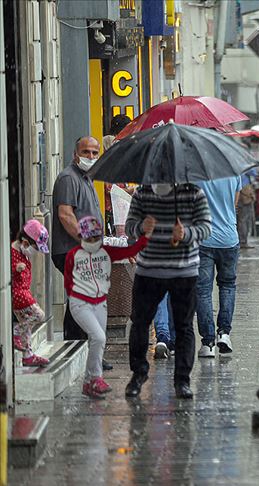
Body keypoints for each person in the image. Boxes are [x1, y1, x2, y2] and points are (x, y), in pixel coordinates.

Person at [124, 183, 212, 400]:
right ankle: (138, 374)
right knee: (140, 323)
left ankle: (182, 380)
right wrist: (141, 228)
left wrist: (186, 233)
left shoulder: (193, 193)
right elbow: (129, 226)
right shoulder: (142, 193)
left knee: (183, 327)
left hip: (183, 271)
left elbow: (206, 228)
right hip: (149, 270)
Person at [65, 216, 154, 398]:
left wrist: (146, 237)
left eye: (96, 238)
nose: (92, 242)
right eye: (88, 238)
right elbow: (68, 282)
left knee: (99, 340)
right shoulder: (72, 255)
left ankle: (89, 382)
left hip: (100, 302)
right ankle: (94, 378)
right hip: (80, 303)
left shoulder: (106, 252)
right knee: (98, 337)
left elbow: (132, 250)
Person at [51, 137, 103, 343]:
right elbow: (65, 215)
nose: (90, 157)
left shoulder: (86, 178)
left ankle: (80, 348)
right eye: (86, 152)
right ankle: (75, 346)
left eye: (94, 153)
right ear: (75, 154)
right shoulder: (68, 178)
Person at [195, 176, 242, 358]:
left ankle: (207, 343)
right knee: (228, 285)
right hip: (230, 238)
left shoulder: (197, 173)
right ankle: (224, 333)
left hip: (204, 238)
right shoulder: (233, 172)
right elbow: (234, 204)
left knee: (203, 291)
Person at [11, 220, 51, 367]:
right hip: (18, 294)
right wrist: (15, 269)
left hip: (23, 292)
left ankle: (28, 355)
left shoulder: (23, 252)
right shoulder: (12, 253)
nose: (35, 253)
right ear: (25, 242)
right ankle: (15, 331)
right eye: (35, 248)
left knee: (27, 325)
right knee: (39, 315)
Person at [237, 168, 257, 249]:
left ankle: (240, 240)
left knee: (239, 219)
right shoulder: (245, 163)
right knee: (245, 219)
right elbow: (254, 173)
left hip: (237, 192)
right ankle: (243, 241)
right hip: (245, 193)